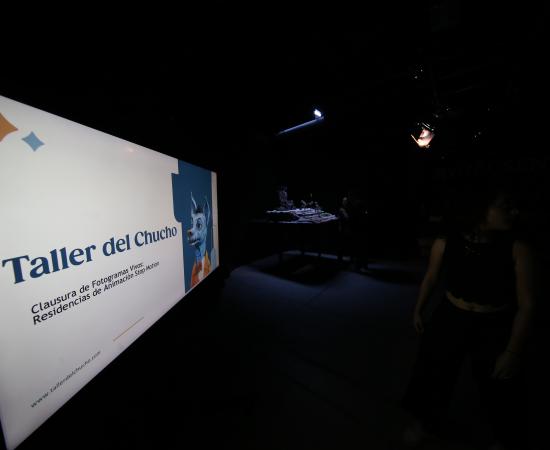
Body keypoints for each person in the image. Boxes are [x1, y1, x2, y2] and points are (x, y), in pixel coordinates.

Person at [401, 180, 536, 450]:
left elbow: (528, 305)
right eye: (504, 206)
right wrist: (419, 308)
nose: (513, 212)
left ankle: (506, 437)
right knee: (433, 371)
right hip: (451, 315)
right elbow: (431, 277)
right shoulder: (446, 242)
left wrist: (512, 351)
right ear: (480, 210)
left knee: (501, 384)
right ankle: (425, 423)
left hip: (494, 323)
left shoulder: (517, 248)